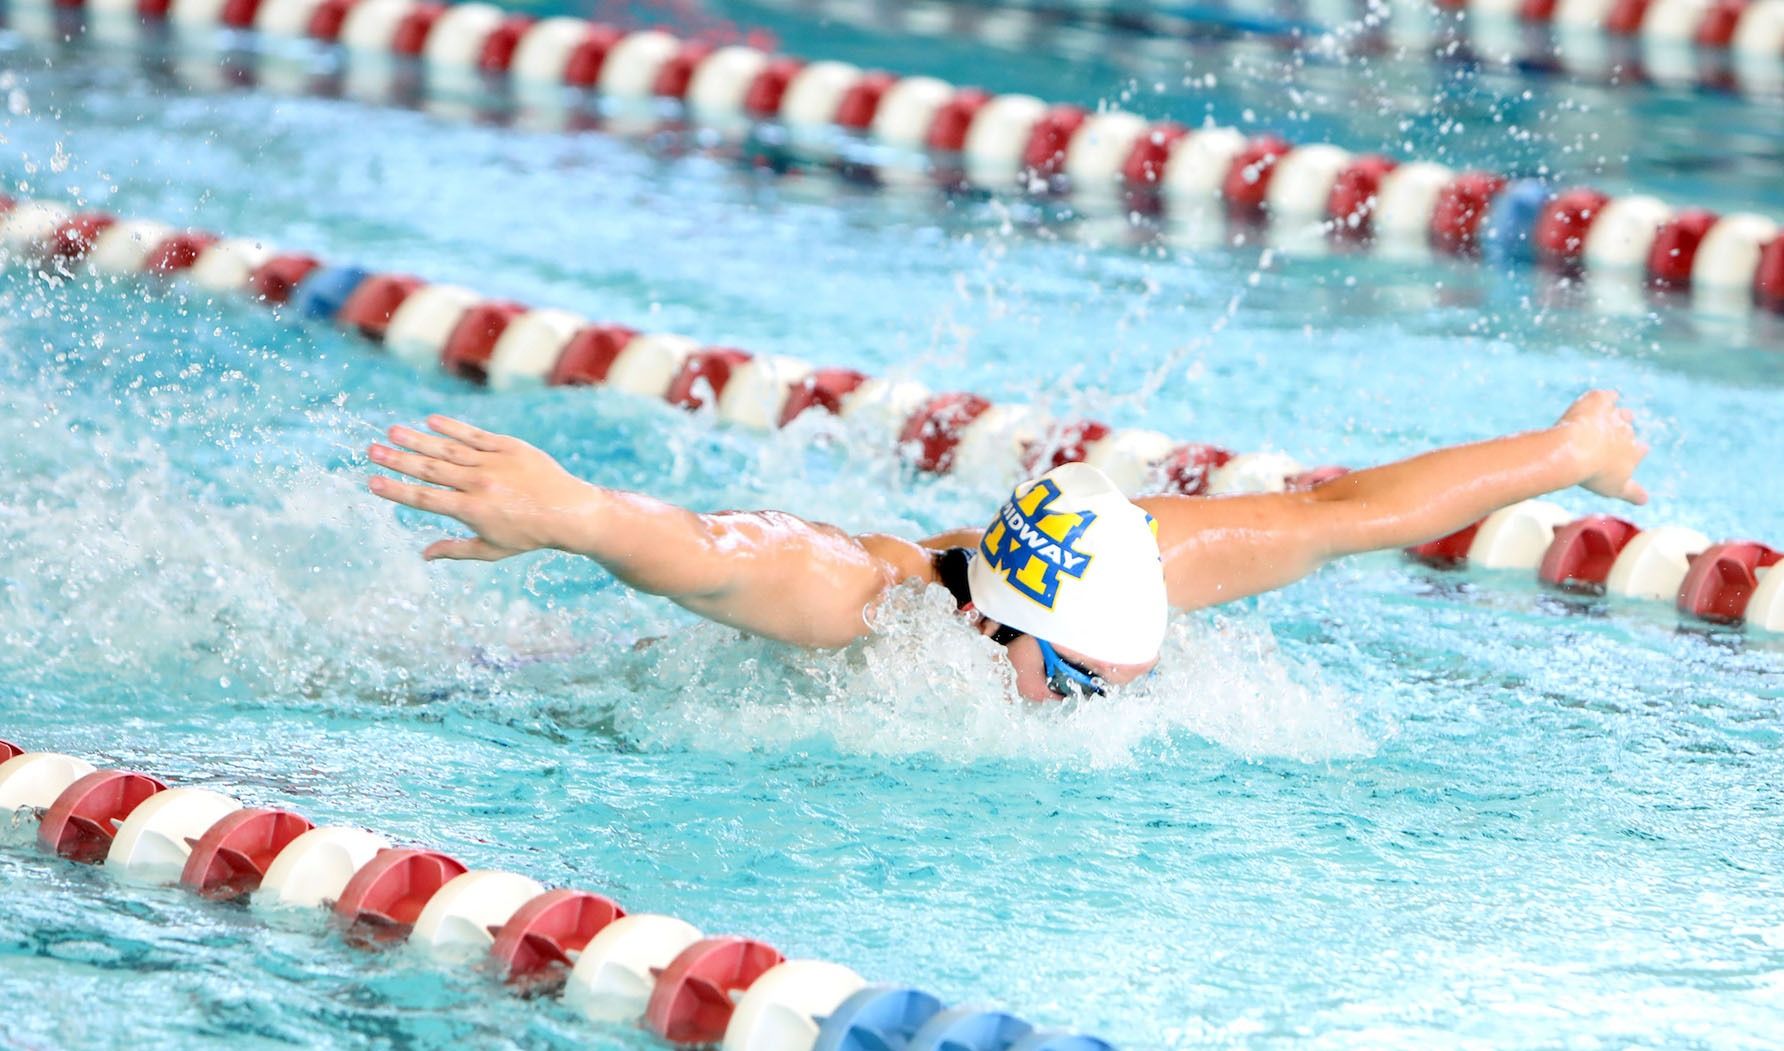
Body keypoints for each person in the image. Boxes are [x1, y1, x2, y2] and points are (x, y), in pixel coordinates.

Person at [366, 390, 1649, 701]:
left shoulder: (1134, 553)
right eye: (1088, 679)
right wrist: (577, 513)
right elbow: (713, 555)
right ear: (997, 624)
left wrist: (1569, 448)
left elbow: (1346, 514)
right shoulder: (860, 608)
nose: (1108, 698)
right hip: (632, 685)